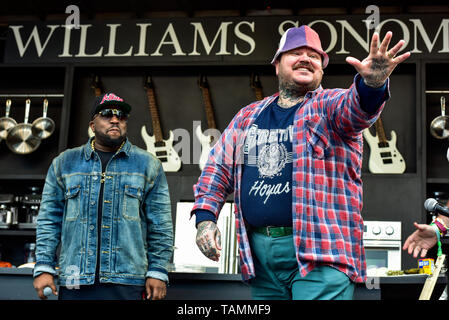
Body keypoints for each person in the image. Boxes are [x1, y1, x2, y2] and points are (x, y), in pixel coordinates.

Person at [192, 25, 410, 300]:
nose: (306, 58)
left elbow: (356, 110)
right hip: (261, 261)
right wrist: (205, 219)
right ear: (277, 65)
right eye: (296, 52)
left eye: (314, 56)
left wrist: (372, 85)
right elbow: (217, 169)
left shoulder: (329, 105)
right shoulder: (248, 116)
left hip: (321, 255)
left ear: (321, 69)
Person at [33, 93, 173, 300]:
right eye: (107, 114)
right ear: (92, 124)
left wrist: (158, 271)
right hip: (74, 277)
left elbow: (161, 225)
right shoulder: (65, 163)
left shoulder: (148, 164)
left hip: (128, 279)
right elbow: (48, 220)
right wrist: (44, 266)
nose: (115, 119)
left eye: (121, 116)